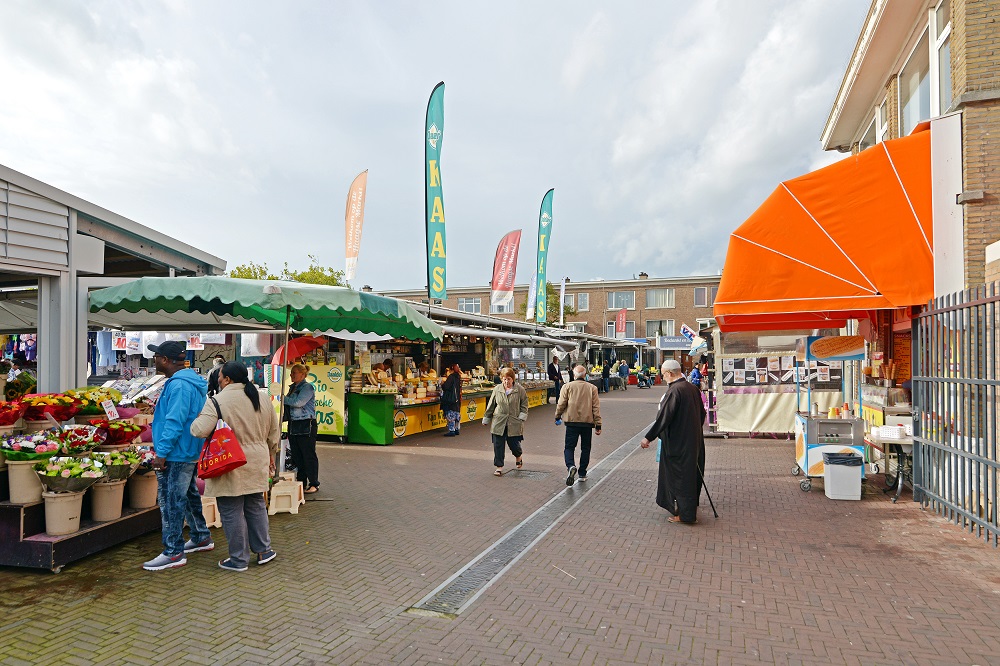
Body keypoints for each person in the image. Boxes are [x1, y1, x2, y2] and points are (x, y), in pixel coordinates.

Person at [191, 362, 280, 571]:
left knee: (231, 509)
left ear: (228, 380)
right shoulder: (262, 397)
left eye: (220, 377)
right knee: (256, 503)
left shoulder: (217, 401)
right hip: (258, 458)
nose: (218, 381)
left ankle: (239, 559)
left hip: (229, 459)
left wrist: (195, 420)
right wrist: (271, 455)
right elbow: (273, 432)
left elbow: (199, 430)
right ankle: (264, 550)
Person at [142, 340, 213, 571]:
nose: (153, 360)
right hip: (187, 449)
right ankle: (201, 536)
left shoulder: (179, 385)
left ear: (164, 360)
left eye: (156, 356)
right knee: (189, 494)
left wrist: (161, 452)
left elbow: (175, 420)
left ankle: (173, 551)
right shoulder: (187, 381)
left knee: (171, 500)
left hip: (177, 451)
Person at [640, 359, 707, 525]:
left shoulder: (675, 391)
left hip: (678, 443)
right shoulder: (692, 388)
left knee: (679, 477)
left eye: (663, 375)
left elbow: (664, 418)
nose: (663, 378)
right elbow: (702, 414)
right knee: (690, 475)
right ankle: (688, 510)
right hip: (693, 441)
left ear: (669, 373)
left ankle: (685, 515)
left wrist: (648, 437)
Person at [555, 365, 602, 486]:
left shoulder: (567, 387)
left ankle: (571, 466)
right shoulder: (592, 388)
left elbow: (561, 403)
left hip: (571, 422)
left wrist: (557, 416)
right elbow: (596, 408)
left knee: (569, 447)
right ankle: (582, 473)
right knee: (585, 448)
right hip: (587, 423)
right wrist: (598, 425)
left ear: (574, 375)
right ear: (585, 375)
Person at [483, 367, 529, 476]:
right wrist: (487, 418)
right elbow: (491, 404)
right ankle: (499, 466)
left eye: (508, 379)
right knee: (498, 445)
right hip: (499, 421)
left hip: (513, 421)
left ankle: (518, 456)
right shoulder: (497, 389)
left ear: (513, 379)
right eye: (504, 379)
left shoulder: (520, 390)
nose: (506, 381)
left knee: (514, 444)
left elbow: (524, 405)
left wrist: (522, 416)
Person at [284, 363, 319, 493]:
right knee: (297, 455)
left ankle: (314, 483)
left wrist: (283, 399)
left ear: (302, 374)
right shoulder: (292, 387)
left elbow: (299, 402)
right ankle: (301, 482)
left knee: (308, 455)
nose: (291, 375)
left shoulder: (307, 387)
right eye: (291, 372)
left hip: (306, 424)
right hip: (294, 424)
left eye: (294, 372)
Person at [440, 364, 463, 437]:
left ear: (451, 370)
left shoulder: (451, 377)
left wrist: (442, 384)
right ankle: (456, 429)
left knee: (451, 414)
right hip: (457, 399)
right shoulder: (458, 377)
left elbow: (446, 387)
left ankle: (451, 430)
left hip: (451, 399)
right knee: (456, 414)